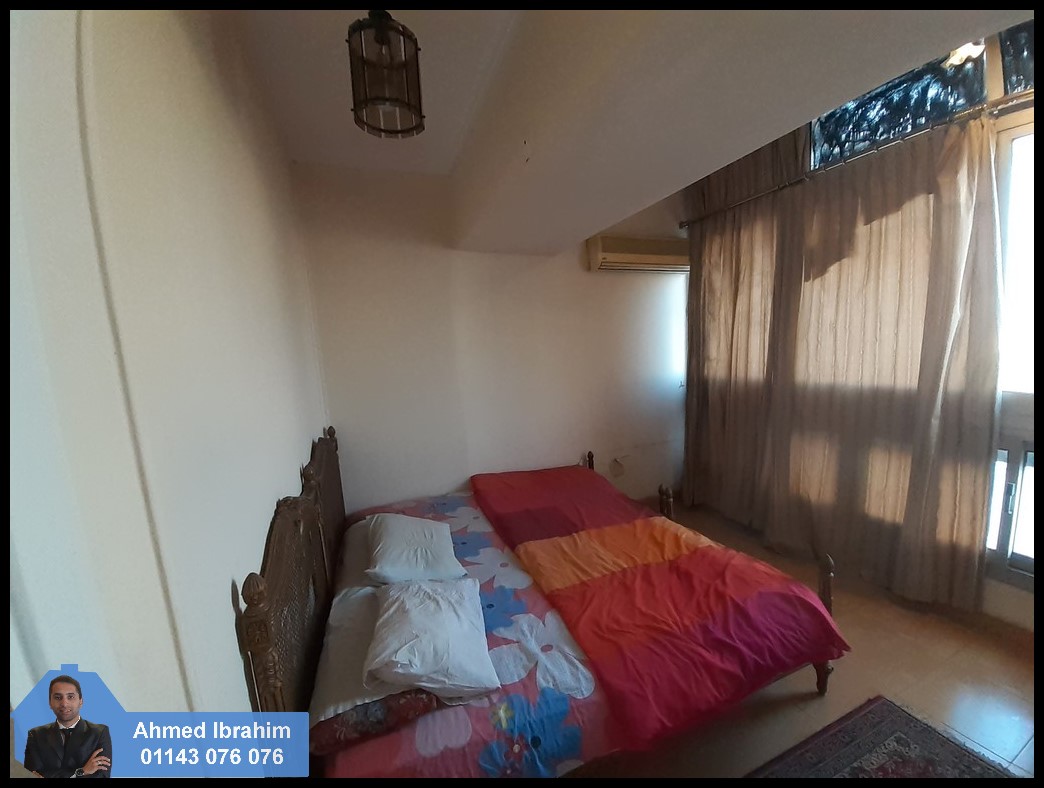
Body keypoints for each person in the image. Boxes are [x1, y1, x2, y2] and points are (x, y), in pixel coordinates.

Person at [23, 676, 111, 779]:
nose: (64, 703)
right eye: (58, 697)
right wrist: (82, 771)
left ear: (81, 701)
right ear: (50, 702)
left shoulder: (99, 733)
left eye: (70, 697)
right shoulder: (35, 735)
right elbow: (31, 775)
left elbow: (102, 776)